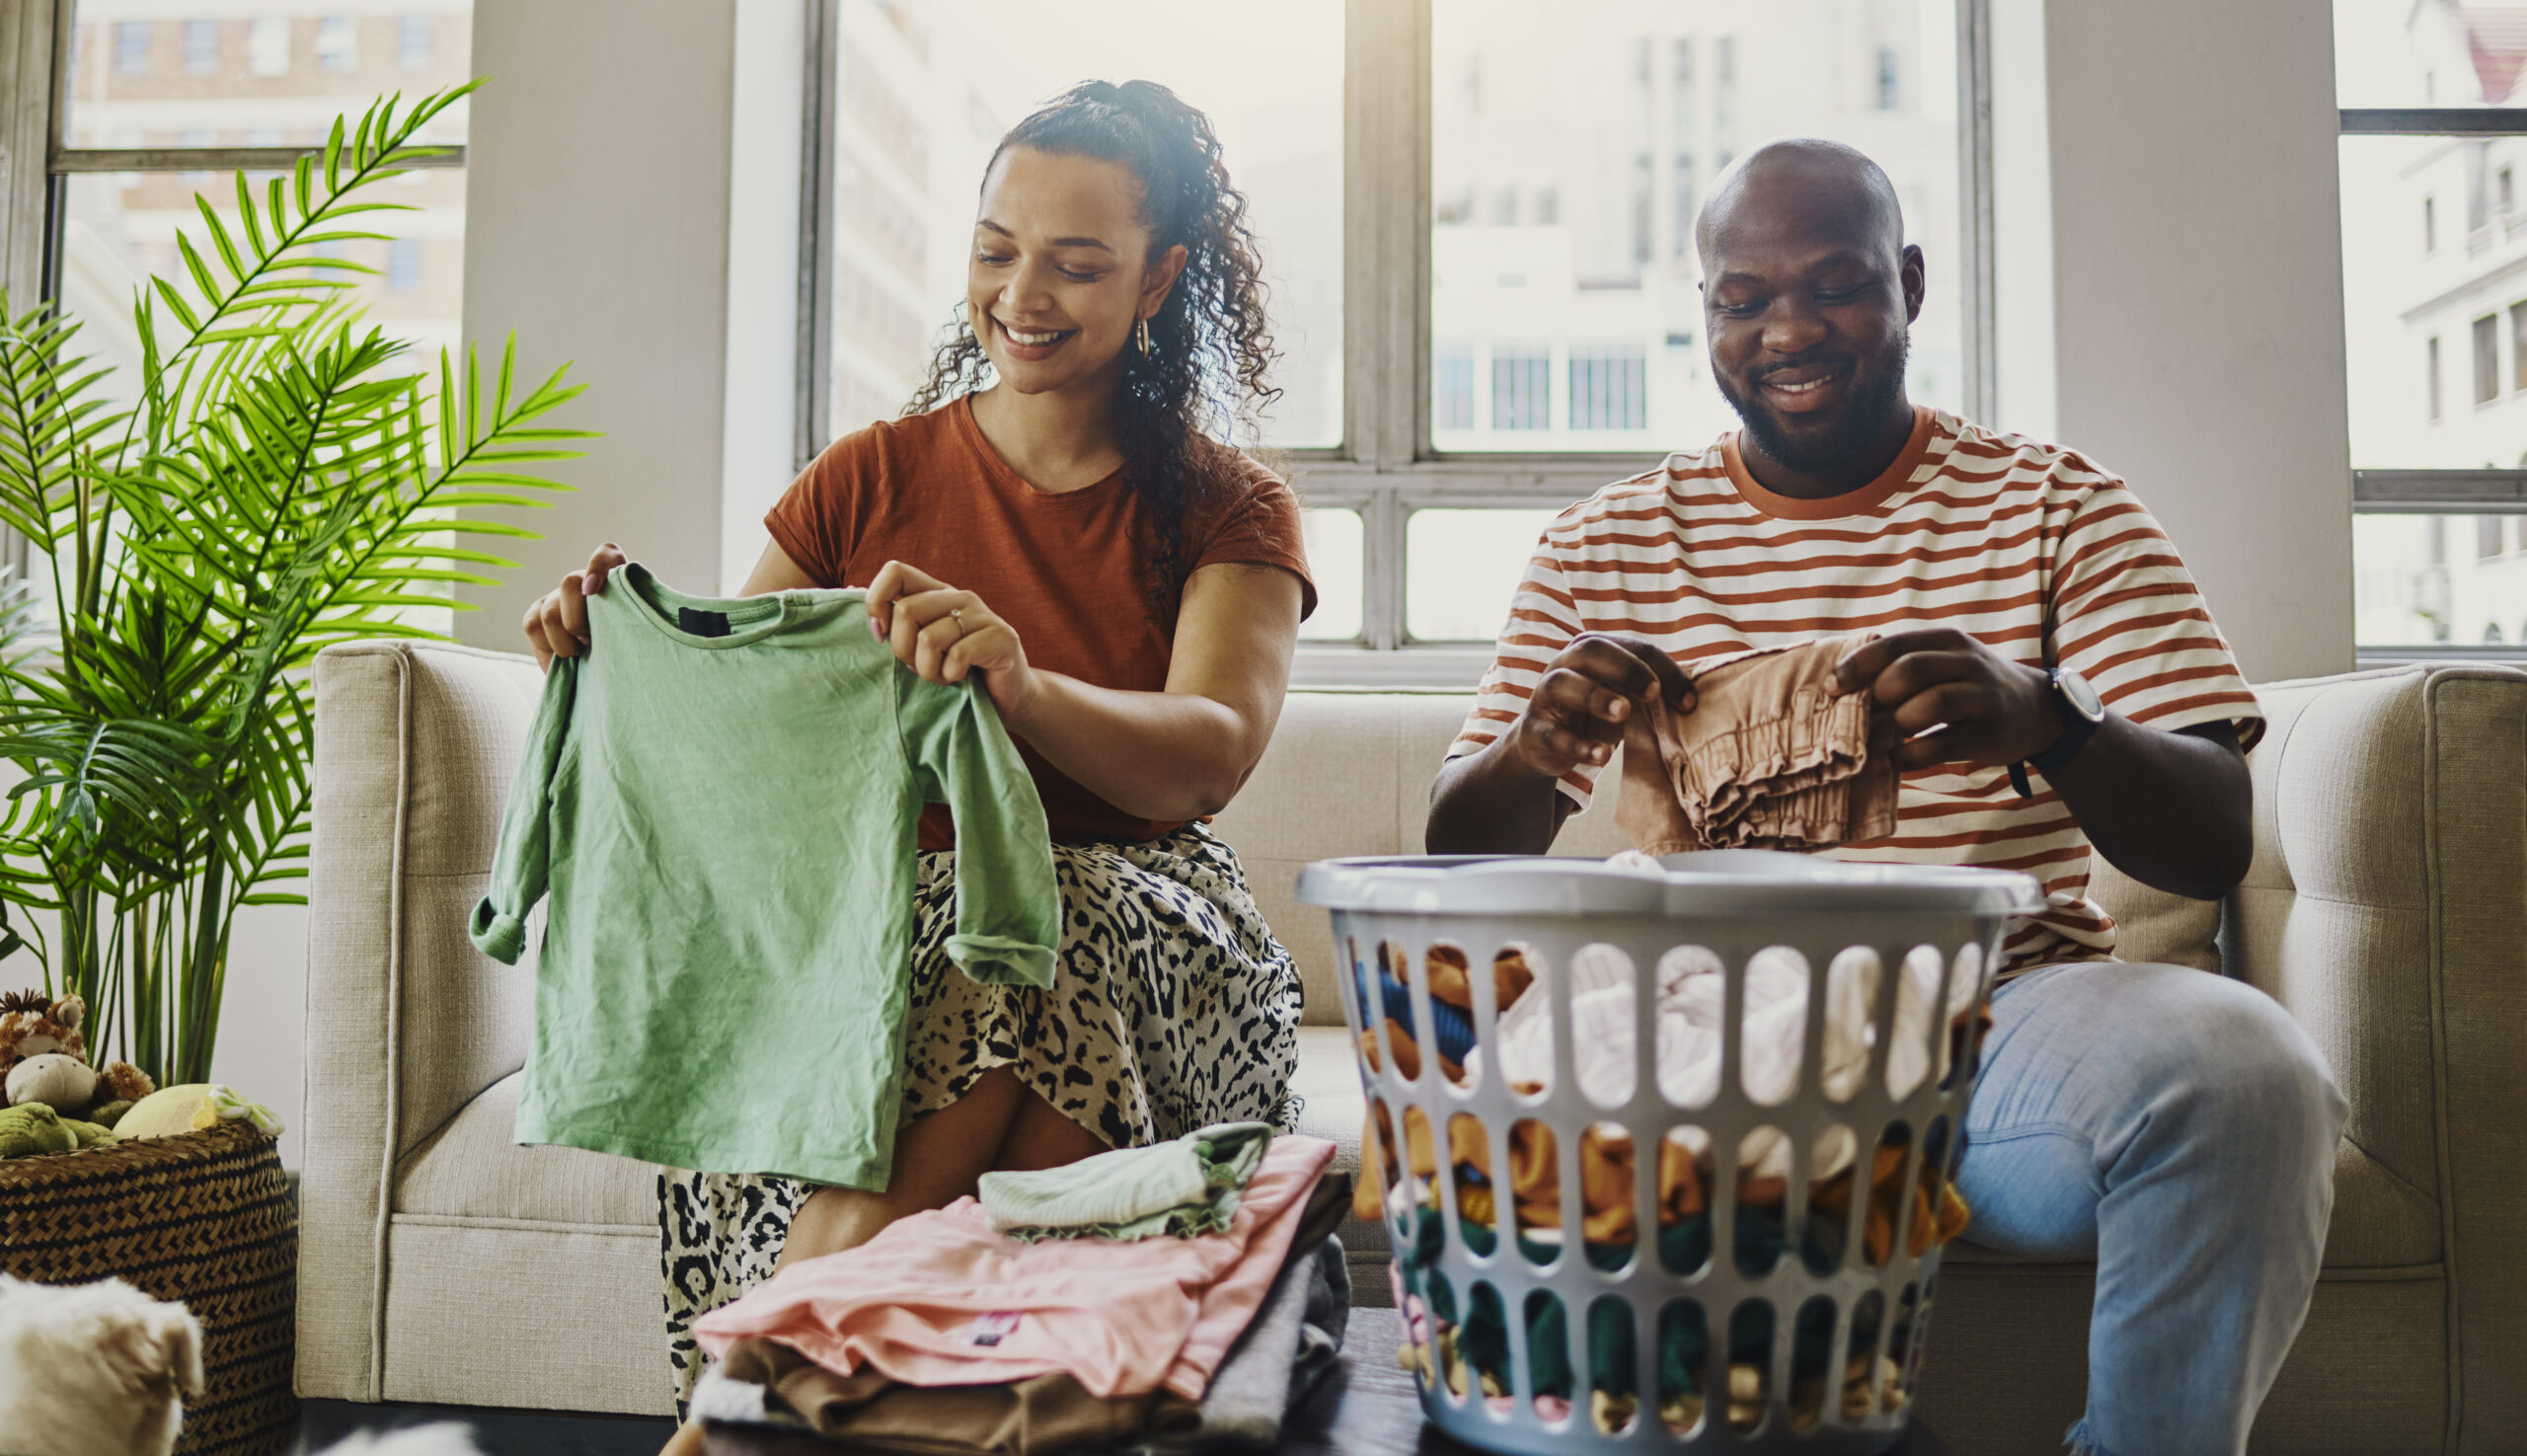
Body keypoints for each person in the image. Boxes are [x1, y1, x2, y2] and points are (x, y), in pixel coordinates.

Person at [1426, 138, 2345, 1456]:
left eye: (1836, 286)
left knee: (2247, 1076)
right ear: (1706, 316)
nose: (1788, 330)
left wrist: (2051, 719)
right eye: (1742, 300)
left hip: (1997, 1020)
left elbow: (2209, 839)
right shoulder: (1605, 546)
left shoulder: (2054, 507)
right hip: (1696, 1032)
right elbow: (1458, 856)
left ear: (1910, 284)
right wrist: (1534, 748)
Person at [521, 80, 1316, 1446]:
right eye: (996, 249)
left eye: (1077, 263)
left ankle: (727, 1424)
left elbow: (1204, 759)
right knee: (982, 992)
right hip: (895, 943)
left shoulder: (1226, 504)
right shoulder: (866, 479)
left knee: (1047, 928)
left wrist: (1016, 685)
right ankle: (819, 1409)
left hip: (1150, 937)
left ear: (1160, 280)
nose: (1024, 293)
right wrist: (607, 657)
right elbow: (750, 726)